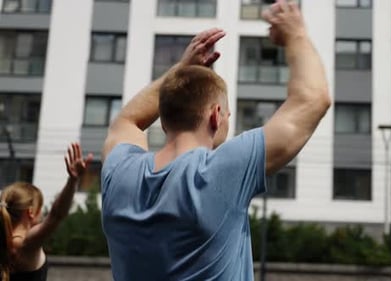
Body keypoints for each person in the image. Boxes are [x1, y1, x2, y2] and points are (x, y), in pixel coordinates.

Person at [100, 0, 331, 280]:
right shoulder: (218, 173)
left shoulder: (119, 173)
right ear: (215, 116)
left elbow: (127, 121)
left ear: (162, 118)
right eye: (228, 114)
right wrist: (296, 33)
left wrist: (180, 70)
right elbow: (314, 99)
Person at [0, 143, 92, 281]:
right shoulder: (25, 244)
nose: (43, 213)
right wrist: (73, 180)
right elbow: (56, 215)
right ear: (31, 212)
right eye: (40, 206)